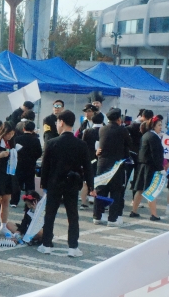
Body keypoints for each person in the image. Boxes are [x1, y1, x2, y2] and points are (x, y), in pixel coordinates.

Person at [38, 109, 93, 257]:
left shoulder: (51, 143)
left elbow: (45, 167)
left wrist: (44, 184)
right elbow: (87, 167)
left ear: (61, 122)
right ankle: (73, 247)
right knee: (73, 215)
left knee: (50, 214)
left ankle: (46, 244)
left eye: (57, 122)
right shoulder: (81, 144)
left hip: (54, 182)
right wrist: (91, 186)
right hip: (73, 183)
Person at [93, 108, 131, 225]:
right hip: (116, 165)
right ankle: (112, 219)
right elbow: (129, 143)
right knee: (116, 191)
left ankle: (97, 216)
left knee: (100, 190)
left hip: (102, 164)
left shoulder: (102, 129)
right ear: (119, 119)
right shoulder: (122, 130)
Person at [130, 117, 165, 221]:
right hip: (150, 166)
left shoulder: (146, 135)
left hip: (142, 165)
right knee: (151, 190)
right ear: (153, 126)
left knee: (140, 189)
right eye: (159, 125)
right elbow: (155, 155)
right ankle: (154, 215)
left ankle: (134, 211)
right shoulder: (153, 137)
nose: (161, 127)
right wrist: (160, 168)